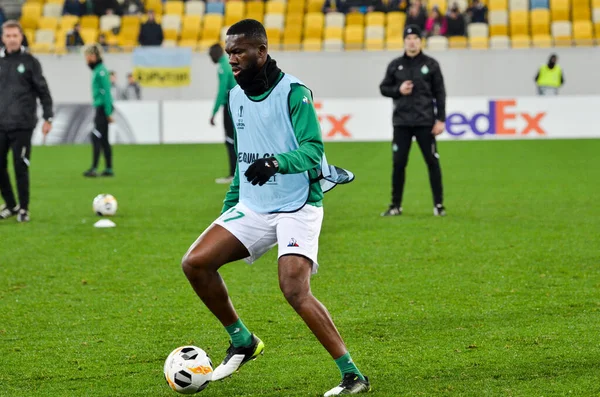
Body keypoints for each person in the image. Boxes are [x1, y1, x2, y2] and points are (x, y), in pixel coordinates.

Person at [181, 19, 367, 396]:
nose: (232, 58)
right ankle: (243, 340)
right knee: (195, 263)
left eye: (239, 51)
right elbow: (244, 159)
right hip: (254, 205)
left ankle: (352, 375)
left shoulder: (294, 92)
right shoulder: (235, 94)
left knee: (294, 288)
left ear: (261, 51)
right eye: (229, 51)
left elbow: (314, 150)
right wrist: (230, 205)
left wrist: (276, 163)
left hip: (298, 204)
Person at [379, 25, 447, 217]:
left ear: (420, 41)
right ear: (404, 41)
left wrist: (441, 119)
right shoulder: (395, 65)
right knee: (398, 164)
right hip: (401, 123)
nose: (412, 41)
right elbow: (384, 88)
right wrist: (398, 90)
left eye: (416, 38)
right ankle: (395, 206)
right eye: (409, 38)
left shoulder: (431, 64)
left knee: (432, 162)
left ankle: (439, 205)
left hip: (425, 122)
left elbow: (440, 93)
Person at [0, 20, 53, 222]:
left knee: (20, 165)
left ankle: (23, 208)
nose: (12, 39)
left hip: (23, 124)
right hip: (0, 124)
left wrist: (48, 116)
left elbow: (43, 91)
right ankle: (11, 204)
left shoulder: (30, 62)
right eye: (8, 35)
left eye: (15, 35)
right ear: (3, 38)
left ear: (21, 37)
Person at [83, 44, 114, 177]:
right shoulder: (97, 70)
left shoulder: (101, 71)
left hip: (102, 109)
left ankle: (94, 168)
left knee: (96, 137)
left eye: (87, 56)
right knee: (104, 139)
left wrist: (108, 112)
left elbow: (107, 93)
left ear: (93, 56)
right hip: (100, 108)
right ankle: (108, 168)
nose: (86, 60)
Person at [209, 43, 237, 184]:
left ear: (215, 54)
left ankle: (233, 174)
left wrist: (214, 112)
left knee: (230, 140)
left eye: (210, 55)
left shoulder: (222, 67)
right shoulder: (229, 64)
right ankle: (238, 173)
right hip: (237, 105)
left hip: (230, 106)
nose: (210, 58)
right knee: (235, 139)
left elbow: (221, 91)